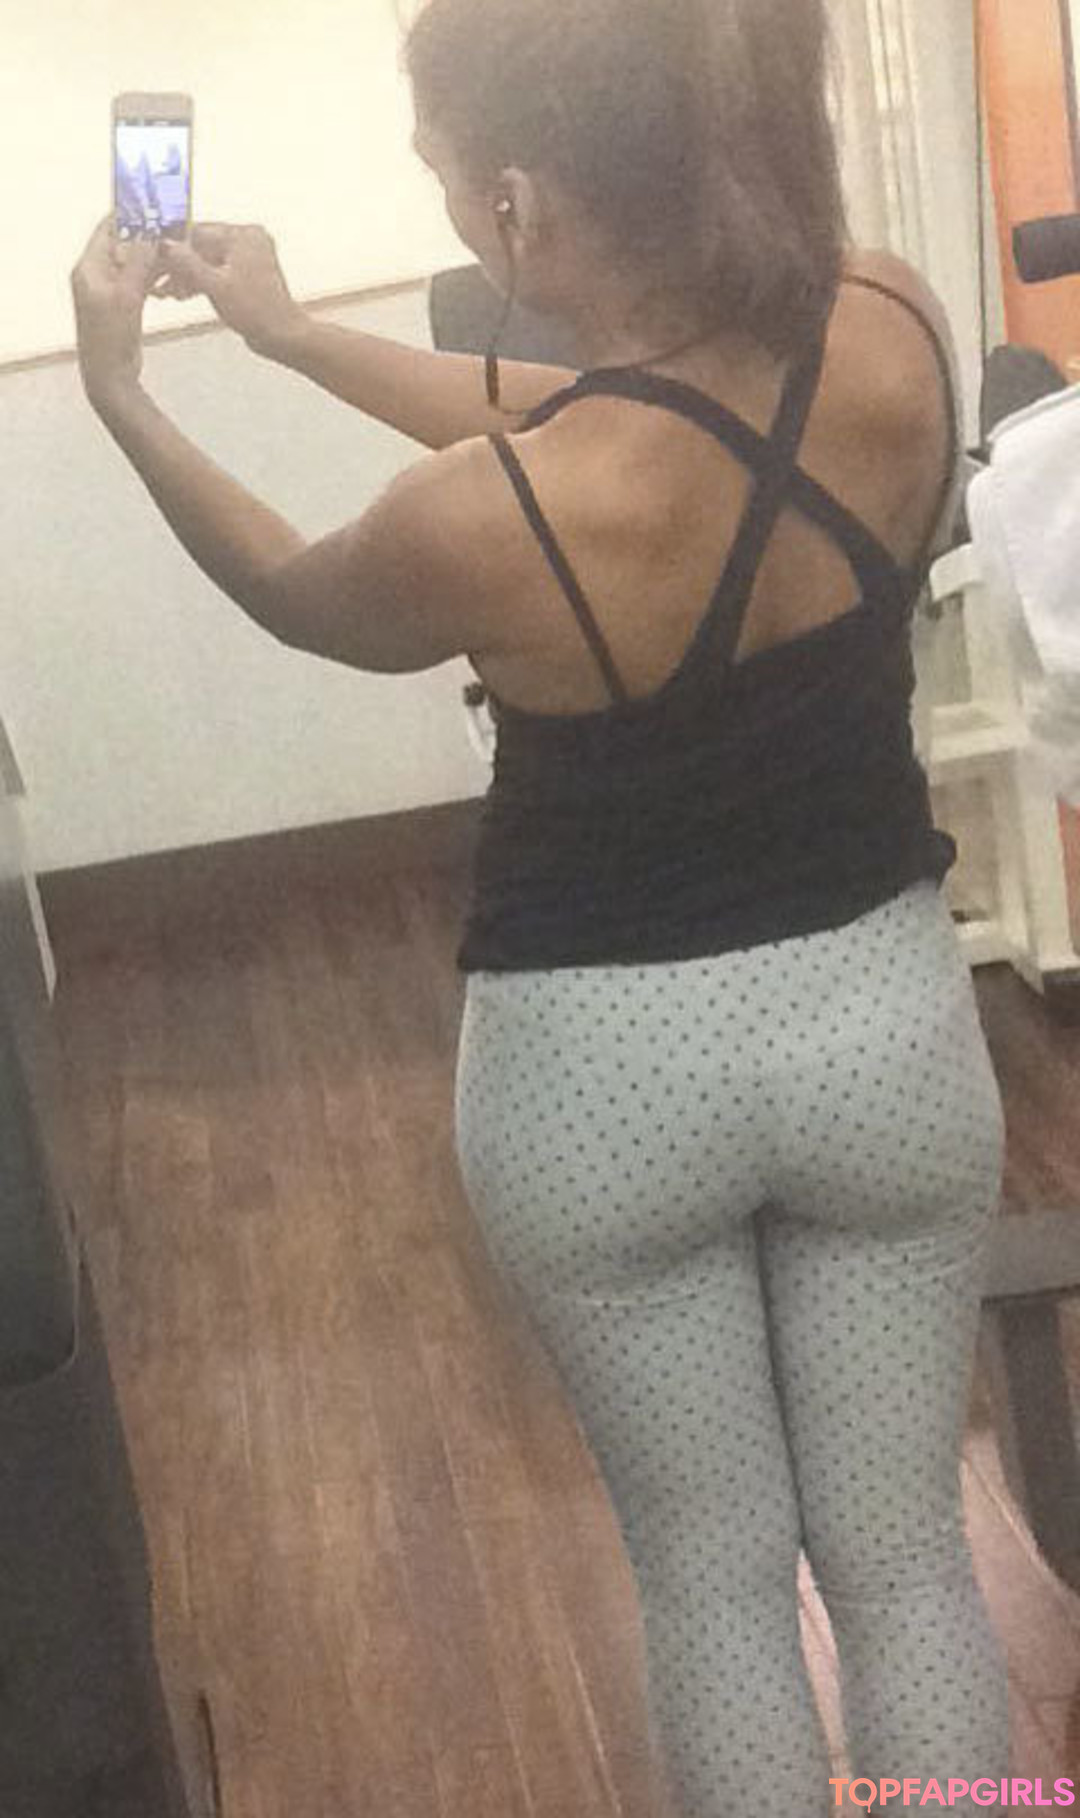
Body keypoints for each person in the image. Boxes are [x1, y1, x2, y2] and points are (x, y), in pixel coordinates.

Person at [70, 0, 1011, 1811]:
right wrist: (290, 335)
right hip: (884, 1036)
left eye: (442, 176)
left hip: (604, 1088)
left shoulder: (473, 523)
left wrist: (126, 393)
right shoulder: (890, 323)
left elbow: (295, 587)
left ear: (519, 205)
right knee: (906, 1568)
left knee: (714, 1587)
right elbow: (649, 417)